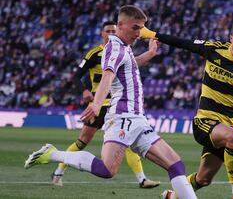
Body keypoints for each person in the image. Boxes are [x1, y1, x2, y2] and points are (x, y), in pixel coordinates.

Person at [24, 5, 197, 199]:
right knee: (107, 169)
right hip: (124, 116)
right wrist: (97, 104)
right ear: (120, 25)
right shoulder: (115, 47)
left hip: (137, 118)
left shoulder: (124, 47)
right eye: (135, 27)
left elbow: (130, 65)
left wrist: (150, 54)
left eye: (141, 28)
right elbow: (107, 76)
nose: (139, 33)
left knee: (176, 165)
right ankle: (52, 154)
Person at [141, 19, 233, 199]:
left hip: (226, 126)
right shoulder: (213, 49)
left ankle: (172, 197)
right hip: (204, 122)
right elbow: (182, 42)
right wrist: (151, 34)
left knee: (203, 179)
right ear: (231, 38)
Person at [51, 21, 160, 188]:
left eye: (113, 30)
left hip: (118, 106)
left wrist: (151, 52)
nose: (110, 33)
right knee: (82, 141)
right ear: (102, 34)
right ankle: (58, 172)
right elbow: (76, 76)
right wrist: (84, 91)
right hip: (99, 105)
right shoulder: (94, 54)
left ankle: (142, 179)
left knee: (128, 144)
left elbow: (134, 63)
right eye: (107, 30)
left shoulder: (124, 51)